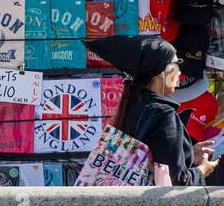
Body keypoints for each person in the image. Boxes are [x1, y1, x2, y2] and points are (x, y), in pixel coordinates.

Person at [88, 34, 217, 185]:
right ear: (160, 73)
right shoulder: (164, 115)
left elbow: (150, 162)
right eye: (176, 64)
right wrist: (202, 170)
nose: (180, 72)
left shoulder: (133, 107)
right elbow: (174, 183)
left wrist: (188, 155)